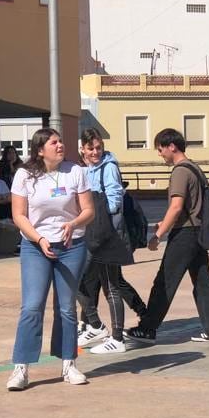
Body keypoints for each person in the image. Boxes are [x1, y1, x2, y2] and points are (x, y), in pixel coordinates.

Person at [6, 128, 94, 390]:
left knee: (66, 308)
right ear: (40, 149)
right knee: (32, 306)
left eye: (61, 141)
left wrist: (74, 223)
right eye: (54, 142)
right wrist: (39, 239)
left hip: (71, 246)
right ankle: (21, 368)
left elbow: (89, 209)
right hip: (36, 247)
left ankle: (69, 365)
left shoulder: (75, 171)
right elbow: (19, 216)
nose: (60, 145)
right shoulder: (24, 175)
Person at [125, 129, 209, 344]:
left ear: (172, 146)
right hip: (198, 230)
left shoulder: (180, 171)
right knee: (203, 281)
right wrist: (166, 221)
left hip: (185, 234)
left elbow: (177, 207)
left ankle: (147, 328)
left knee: (164, 281)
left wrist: (159, 235)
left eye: (160, 149)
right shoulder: (194, 167)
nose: (159, 154)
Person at [76, 129, 143, 355]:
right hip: (92, 232)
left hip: (106, 234)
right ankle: (94, 325)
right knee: (80, 279)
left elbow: (115, 200)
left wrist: (105, 230)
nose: (96, 152)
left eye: (99, 147)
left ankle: (116, 337)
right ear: (83, 149)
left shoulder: (108, 167)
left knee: (111, 285)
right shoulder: (86, 169)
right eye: (91, 148)